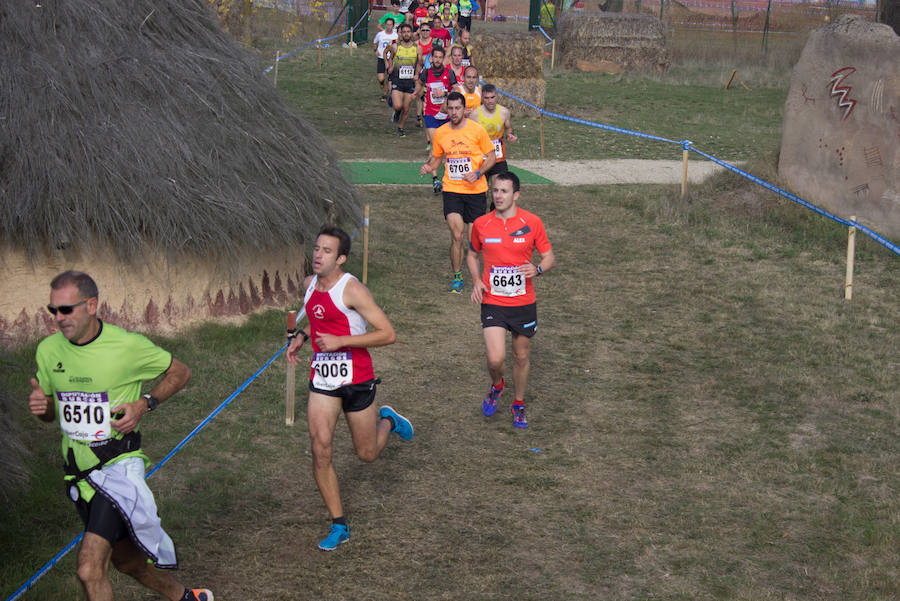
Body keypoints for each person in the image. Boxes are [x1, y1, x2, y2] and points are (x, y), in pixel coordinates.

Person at [28, 271, 213, 601]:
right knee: (128, 563)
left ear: (91, 305)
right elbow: (50, 415)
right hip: (78, 474)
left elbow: (180, 372)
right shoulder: (47, 351)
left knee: (89, 569)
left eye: (66, 310)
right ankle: (186, 597)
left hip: (117, 469)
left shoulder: (126, 346)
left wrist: (144, 404)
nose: (58, 318)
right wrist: (42, 407)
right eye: (52, 310)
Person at [286, 225, 413, 551]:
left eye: (326, 251)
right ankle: (338, 524)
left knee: (367, 454)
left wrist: (342, 341)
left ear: (341, 258)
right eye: (316, 248)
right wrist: (302, 337)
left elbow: (387, 333)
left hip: (357, 379)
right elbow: (316, 319)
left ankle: (388, 420)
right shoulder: (309, 284)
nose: (318, 255)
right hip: (324, 381)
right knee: (320, 448)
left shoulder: (352, 289)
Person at [466, 172, 555, 428]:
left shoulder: (532, 222)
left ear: (516, 194)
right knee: (495, 359)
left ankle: (518, 403)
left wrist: (537, 269)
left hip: (523, 302)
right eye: (495, 191)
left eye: (504, 191)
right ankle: (497, 385)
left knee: (521, 356)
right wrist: (476, 280)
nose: (498, 196)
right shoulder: (482, 224)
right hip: (493, 300)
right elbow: (472, 255)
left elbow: (549, 257)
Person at [419, 91, 496, 293]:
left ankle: (481, 276)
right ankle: (457, 277)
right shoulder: (441, 133)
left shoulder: (477, 130)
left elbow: (492, 157)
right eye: (450, 108)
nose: (453, 112)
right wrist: (429, 166)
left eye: (457, 108)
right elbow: (437, 158)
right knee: (457, 235)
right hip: (452, 189)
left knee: (474, 239)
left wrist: (478, 172)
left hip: (476, 191)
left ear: (464, 109)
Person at [471, 82, 517, 207]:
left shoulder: (504, 112)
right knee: (481, 192)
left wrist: (510, 135)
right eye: (486, 98)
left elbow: (508, 128)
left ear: (497, 97)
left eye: (492, 97)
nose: (490, 101)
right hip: (482, 158)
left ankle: (495, 215)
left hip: (498, 157)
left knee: (498, 190)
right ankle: (480, 216)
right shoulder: (475, 114)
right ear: (482, 98)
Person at [414, 44, 456, 159]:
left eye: (440, 57)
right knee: (434, 144)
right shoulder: (426, 72)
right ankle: (434, 175)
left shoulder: (449, 73)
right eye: (435, 57)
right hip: (430, 113)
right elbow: (420, 82)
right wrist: (416, 92)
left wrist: (445, 93)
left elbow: (456, 91)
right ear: (431, 58)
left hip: (446, 114)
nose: (437, 60)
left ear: (443, 59)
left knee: (447, 146)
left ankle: (450, 172)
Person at [385, 22, 423, 137]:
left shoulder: (417, 48)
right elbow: (390, 57)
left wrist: (417, 73)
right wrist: (390, 67)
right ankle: (396, 112)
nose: (406, 34)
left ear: (411, 33)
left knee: (406, 109)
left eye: (408, 32)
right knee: (398, 106)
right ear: (401, 33)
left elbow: (419, 63)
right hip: (397, 80)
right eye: (404, 32)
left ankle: (401, 128)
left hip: (410, 82)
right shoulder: (396, 46)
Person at [373, 17, 399, 101]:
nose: (389, 26)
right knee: (381, 78)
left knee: (389, 77)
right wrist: (376, 50)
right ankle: (381, 83)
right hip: (381, 58)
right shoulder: (380, 34)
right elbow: (374, 42)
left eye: (390, 25)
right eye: (387, 25)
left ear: (393, 26)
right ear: (385, 25)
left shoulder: (395, 35)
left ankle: (385, 94)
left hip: (391, 59)